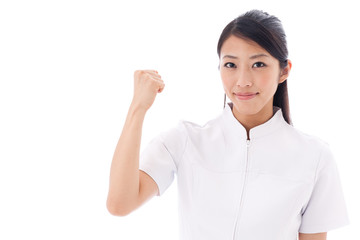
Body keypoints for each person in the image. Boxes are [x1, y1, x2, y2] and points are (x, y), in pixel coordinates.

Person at [106, 9, 350, 240]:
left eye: (258, 64)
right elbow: (120, 203)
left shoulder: (315, 157)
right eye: (231, 65)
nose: (243, 81)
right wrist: (137, 108)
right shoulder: (185, 141)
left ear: (284, 70)